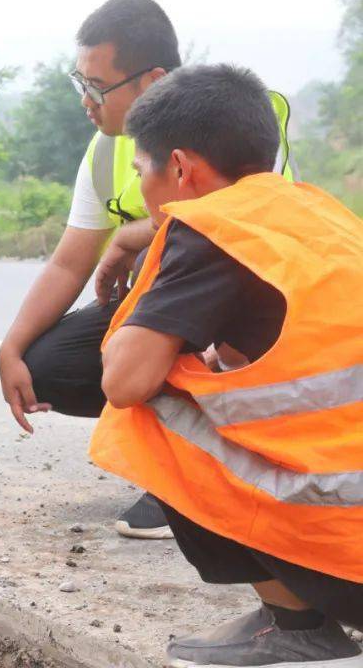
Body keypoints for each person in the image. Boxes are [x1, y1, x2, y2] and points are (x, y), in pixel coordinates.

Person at [0, 0, 297, 539]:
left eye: (97, 86)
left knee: (174, 351)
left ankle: (190, 476)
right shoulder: (105, 149)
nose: (86, 100)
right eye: (79, 82)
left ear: (152, 80)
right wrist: (11, 348)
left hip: (248, 305)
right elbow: (70, 262)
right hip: (168, 303)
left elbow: (238, 231)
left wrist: (135, 236)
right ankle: (174, 454)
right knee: (49, 365)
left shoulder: (231, 123)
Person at [93, 63, 363, 667]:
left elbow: (123, 379)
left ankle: (297, 622)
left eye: (142, 171)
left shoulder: (213, 229)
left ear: (181, 169)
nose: (142, 191)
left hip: (350, 550)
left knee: (149, 411)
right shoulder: (320, 214)